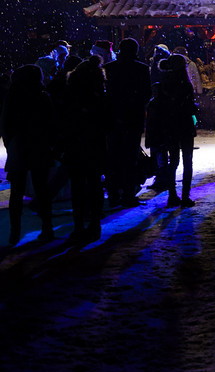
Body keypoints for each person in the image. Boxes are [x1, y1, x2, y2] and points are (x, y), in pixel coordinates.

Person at [1, 65, 55, 244]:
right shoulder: (42, 96)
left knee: (16, 192)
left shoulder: (13, 97)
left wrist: (11, 145)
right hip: (39, 145)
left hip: (19, 146)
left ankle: (14, 233)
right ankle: (47, 228)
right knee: (42, 189)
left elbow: (5, 124)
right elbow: (51, 123)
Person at [63, 57, 109, 242]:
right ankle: (95, 224)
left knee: (77, 186)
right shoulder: (100, 97)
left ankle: (78, 225)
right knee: (95, 184)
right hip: (95, 145)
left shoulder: (71, 97)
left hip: (75, 145)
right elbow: (107, 123)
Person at [103, 38, 151, 207]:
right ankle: (128, 194)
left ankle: (114, 193)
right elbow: (147, 94)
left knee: (113, 156)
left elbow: (106, 94)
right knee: (130, 156)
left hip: (113, 118)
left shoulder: (109, 68)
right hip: (133, 118)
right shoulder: (141, 69)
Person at [148, 54, 199, 207]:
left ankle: (172, 195)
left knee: (173, 161)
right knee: (187, 161)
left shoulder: (163, 84)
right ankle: (185, 196)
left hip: (169, 126)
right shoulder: (185, 84)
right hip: (184, 125)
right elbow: (190, 107)